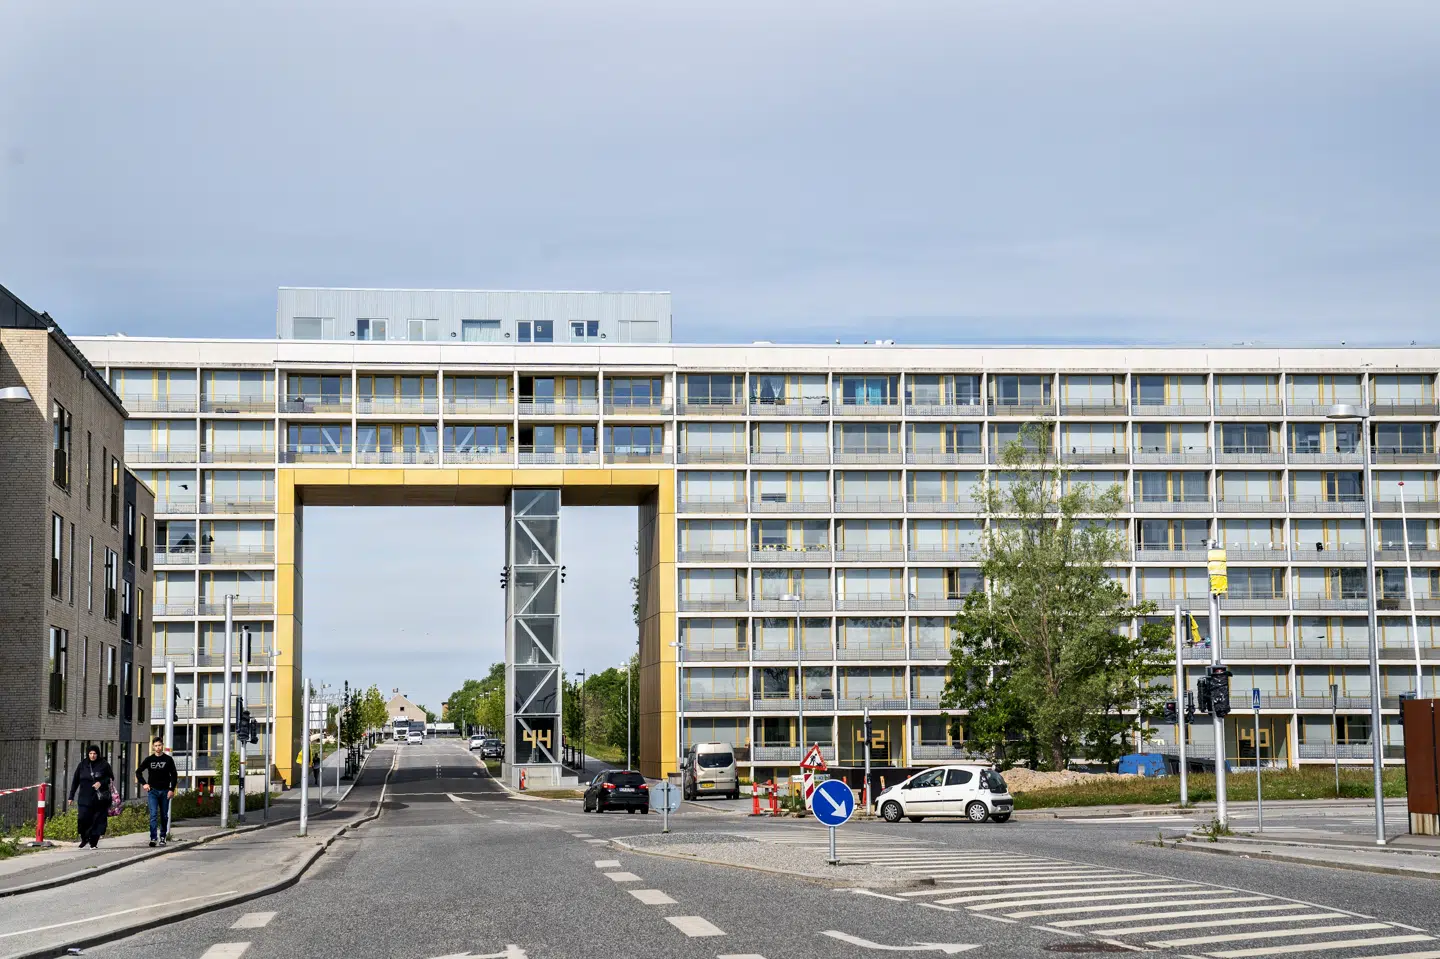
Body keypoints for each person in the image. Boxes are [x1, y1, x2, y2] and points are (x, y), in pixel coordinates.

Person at [67, 745, 113, 848]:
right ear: (88, 754)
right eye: (90, 753)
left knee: (97, 820)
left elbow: (110, 778)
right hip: (84, 798)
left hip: (99, 799)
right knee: (82, 818)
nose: (92, 756)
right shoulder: (82, 765)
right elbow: (75, 781)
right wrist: (71, 796)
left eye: (94, 753)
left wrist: (100, 783)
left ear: (98, 754)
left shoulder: (104, 764)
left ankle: (93, 842)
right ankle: (84, 838)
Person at [136, 737, 178, 847]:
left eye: (159, 745)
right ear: (153, 747)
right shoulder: (149, 759)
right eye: (156, 746)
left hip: (165, 791)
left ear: (162, 745)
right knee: (153, 815)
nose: (158, 747)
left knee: (164, 815)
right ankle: (153, 838)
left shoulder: (168, 759)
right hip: (153, 791)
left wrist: (171, 789)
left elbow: (174, 775)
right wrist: (144, 784)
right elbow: (138, 772)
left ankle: (163, 837)